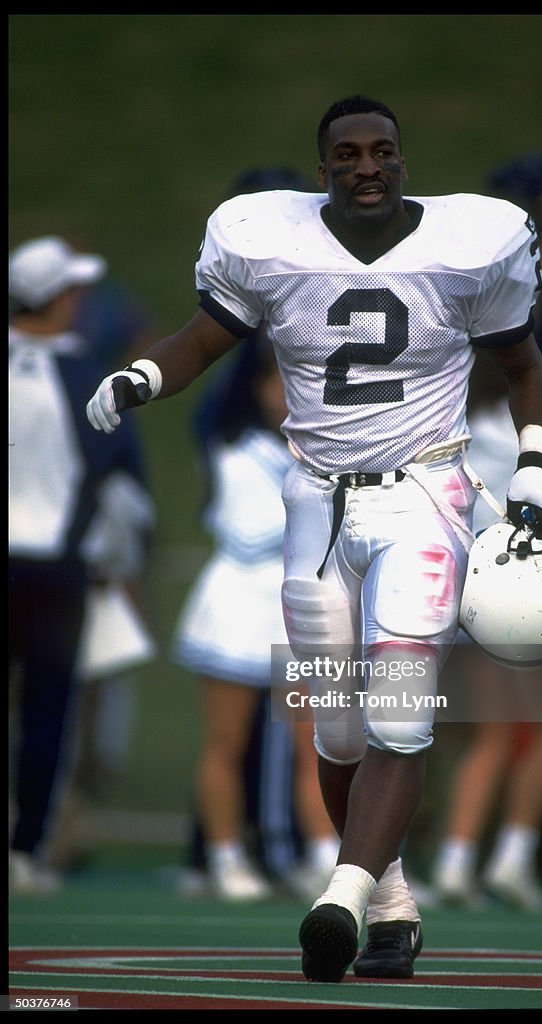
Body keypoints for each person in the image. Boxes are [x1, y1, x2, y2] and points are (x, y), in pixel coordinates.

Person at [86, 94, 542, 983]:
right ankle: (390, 905)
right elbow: (206, 337)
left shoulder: (472, 244)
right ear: (322, 173)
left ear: (402, 159)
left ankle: (338, 898)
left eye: (380, 150)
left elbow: (525, 368)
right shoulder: (268, 241)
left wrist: (536, 464)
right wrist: (141, 375)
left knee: (396, 710)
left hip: (423, 496)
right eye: (346, 154)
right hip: (310, 505)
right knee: (337, 730)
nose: (366, 166)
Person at [431, 180, 542, 912]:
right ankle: (510, 858)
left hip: (460, 584)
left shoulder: (451, 411)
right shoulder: (531, 422)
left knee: (484, 738)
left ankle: (458, 863)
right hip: (523, 589)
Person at [172, 328, 339, 901]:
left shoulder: (326, 451)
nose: (286, 396)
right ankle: (223, 858)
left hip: (297, 607)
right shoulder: (225, 435)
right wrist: (259, 304)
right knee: (227, 740)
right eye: (277, 382)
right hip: (234, 604)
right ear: (258, 385)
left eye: (300, 385)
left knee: (313, 741)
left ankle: (322, 858)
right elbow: (223, 376)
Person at [9, 235, 151, 893]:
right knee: (46, 718)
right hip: (56, 573)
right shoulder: (86, 377)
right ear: (58, 299)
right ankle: (25, 851)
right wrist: (122, 562)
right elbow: (124, 492)